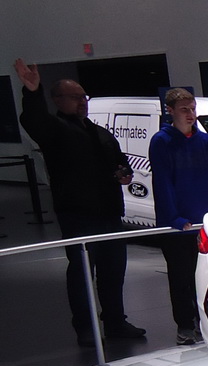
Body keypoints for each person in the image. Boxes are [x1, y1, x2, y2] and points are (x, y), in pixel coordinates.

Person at [13, 58, 146, 346]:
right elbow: (34, 120)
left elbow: (120, 161)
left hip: (109, 212)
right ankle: (86, 327)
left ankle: (115, 321)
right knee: (83, 273)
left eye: (83, 96)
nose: (82, 102)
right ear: (58, 100)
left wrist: (124, 173)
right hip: (78, 214)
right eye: (74, 97)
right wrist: (32, 92)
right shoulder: (55, 130)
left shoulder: (99, 132)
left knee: (113, 271)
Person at [149, 88, 208, 345]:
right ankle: (185, 325)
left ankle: (204, 322)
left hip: (203, 221)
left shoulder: (205, 141)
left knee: (203, 276)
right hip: (177, 224)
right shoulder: (162, 141)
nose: (190, 114)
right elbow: (163, 183)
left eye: (192, 109)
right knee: (180, 276)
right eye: (184, 110)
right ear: (170, 111)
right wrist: (174, 218)